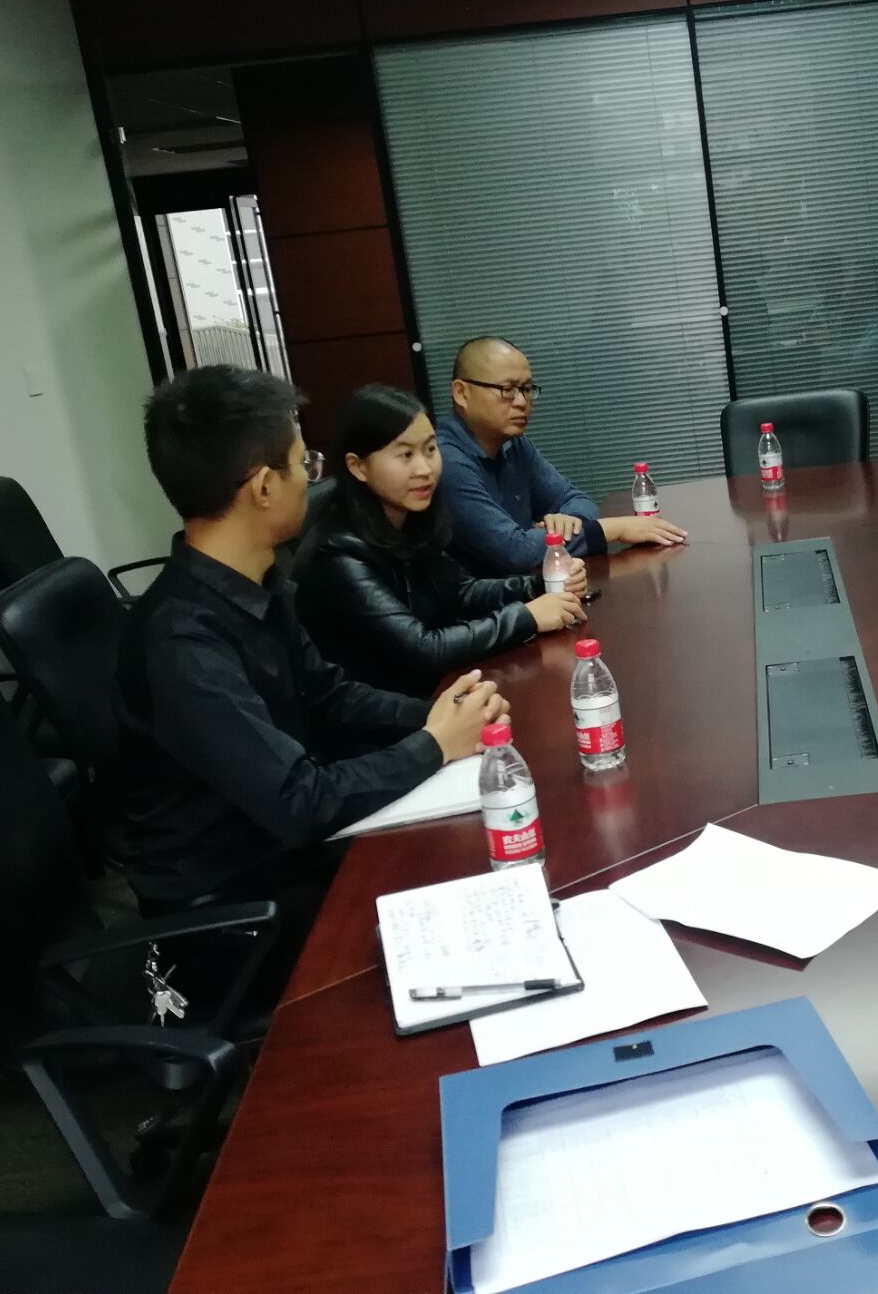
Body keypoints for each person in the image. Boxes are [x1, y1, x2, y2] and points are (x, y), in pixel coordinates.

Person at [116, 365, 508, 935]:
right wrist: (433, 745)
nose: (311, 479)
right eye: (305, 464)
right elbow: (300, 800)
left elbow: (328, 693)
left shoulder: (255, 584)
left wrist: (439, 716)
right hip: (236, 911)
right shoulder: (183, 643)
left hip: (286, 852)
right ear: (263, 487)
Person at [295, 384, 587, 698]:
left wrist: (540, 585)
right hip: (391, 713)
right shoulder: (337, 553)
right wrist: (526, 618)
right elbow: (425, 648)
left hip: (438, 692)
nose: (424, 469)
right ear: (358, 467)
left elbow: (460, 591)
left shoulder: (411, 517)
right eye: (406, 455)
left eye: (430, 449)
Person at [436, 336, 688, 577]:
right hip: (487, 603)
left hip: (535, 589)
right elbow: (514, 550)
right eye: (508, 389)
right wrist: (615, 529)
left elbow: (577, 499)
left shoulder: (515, 446)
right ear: (461, 393)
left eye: (527, 389)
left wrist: (569, 523)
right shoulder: (445, 461)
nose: (522, 402)